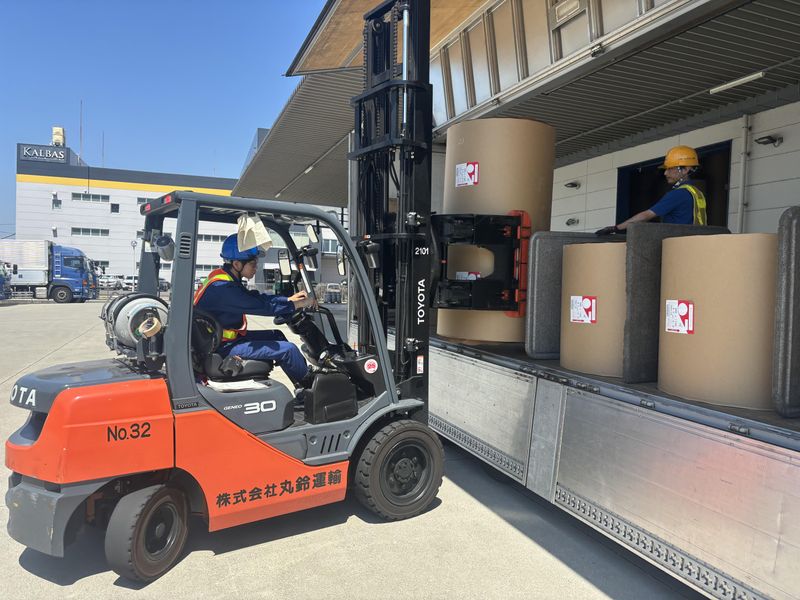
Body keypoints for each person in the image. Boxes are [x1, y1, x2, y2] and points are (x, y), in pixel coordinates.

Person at [194, 234, 313, 386]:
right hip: (222, 348)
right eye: (253, 264)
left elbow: (255, 298)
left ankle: (301, 380)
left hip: (222, 342)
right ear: (237, 264)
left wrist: (288, 300)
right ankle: (309, 388)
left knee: (277, 335)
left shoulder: (224, 279)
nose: (256, 267)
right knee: (289, 349)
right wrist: (298, 304)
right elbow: (260, 306)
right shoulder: (223, 288)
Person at [596, 145, 707, 235]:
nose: (665, 173)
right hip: (692, 243)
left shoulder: (678, 194)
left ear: (685, 170)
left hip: (676, 245)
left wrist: (616, 228)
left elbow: (646, 215)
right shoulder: (696, 193)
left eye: (670, 169)